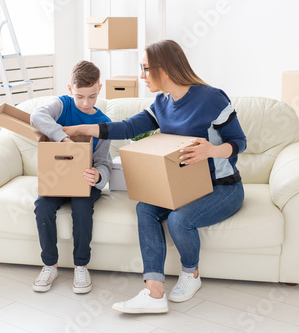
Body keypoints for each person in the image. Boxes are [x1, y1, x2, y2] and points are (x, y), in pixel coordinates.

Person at [63, 40, 246, 313]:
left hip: (223, 188)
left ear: (166, 69)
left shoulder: (212, 98)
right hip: (185, 186)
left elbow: (239, 141)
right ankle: (154, 291)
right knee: (145, 209)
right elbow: (127, 127)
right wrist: (84, 128)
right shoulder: (162, 102)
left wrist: (212, 150)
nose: (141, 75)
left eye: (145, 68)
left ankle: (191, 274)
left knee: (179, 219)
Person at [30, 60, 112, 294]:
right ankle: (49, 265)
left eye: (92, 96)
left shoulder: (104, 123)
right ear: (70, 90)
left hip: (86, 181)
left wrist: (98, 176)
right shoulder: (63, 105)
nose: (86, 103)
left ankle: (81, 265)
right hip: (57, 178)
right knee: (42, 206)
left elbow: (104, 162)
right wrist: (64, 141)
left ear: (100, 88)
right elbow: (37, 116)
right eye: (80, 96)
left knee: (82, 207)